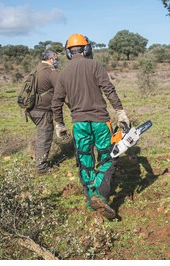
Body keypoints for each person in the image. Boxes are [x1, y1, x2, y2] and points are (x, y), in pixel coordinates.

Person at [52, 33, 130, 219]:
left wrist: (59, 124)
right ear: (86, 49)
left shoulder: (63, 73)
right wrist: (120, 112)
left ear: (69, 52)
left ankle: (91, 200)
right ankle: (99, 195)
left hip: (79, 125)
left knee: (85, 160)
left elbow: (56, 102)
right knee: (108, 157)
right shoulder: (95, 65)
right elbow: (109, 89)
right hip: (100, 122)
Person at [28, 50, 60, 174]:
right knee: (45, 137)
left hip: (32, 109)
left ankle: (38, 161)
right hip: (42, 110)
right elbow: (61, 89)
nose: (57, 61)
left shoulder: (36, 69)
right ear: (51, 59)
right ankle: (41, 168)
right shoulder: (50, 71)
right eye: (56, 58)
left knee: (42, 136)